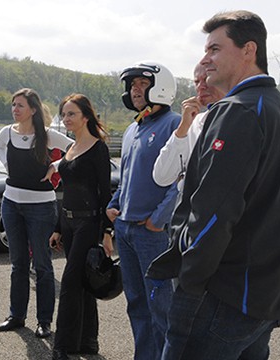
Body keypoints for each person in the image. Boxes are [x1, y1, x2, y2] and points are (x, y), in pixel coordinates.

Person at [148, 10, 280, 359]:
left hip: (222, 294)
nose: (205, 58)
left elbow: (213, 213)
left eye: (215, 48)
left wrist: (189, 280)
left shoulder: (237, 111)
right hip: (265, 297)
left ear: (249, 50)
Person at [106, 61, 180, 360]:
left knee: (161, 306)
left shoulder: (174, 124)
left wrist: (158, 220)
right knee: (136, 304)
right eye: (132, 85)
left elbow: (181, 181)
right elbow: (127, 177)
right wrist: (113, 207)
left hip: (152, 233)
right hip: (125, 229)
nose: (136, 90)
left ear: (160, 87)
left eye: (142, 84)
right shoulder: (133, 128)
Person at [0, 88, 73, 338]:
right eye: (13, 105)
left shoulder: (48, 136)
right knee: (18, 265)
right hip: (11, 204)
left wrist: (56, 165)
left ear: (33, 110)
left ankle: (44, 321)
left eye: (20, 105)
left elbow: (77, 147)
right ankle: (16, 316)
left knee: (42, 265)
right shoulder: (6, 133)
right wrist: (8, 166)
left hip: (41, 207)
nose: (15, 109)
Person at [47, 94, 111, 359]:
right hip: (70, 222)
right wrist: (58, 228)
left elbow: (105, 193)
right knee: (82, 281)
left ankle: (62, 345)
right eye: (64, 114)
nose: (66, 119)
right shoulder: (70, 149)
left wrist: (107, 232)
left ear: (86, 116)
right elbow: (67, 192)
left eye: (71, 114)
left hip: (89, 222)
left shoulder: (98, 148)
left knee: (71, 282)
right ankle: (88, 341)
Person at [152, 63, 222, 187]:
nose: (201, 87)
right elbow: (162, 177)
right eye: (196, 82)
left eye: (206, 79)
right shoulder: (194, 124)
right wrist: (183, 128)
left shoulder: (242, 118)